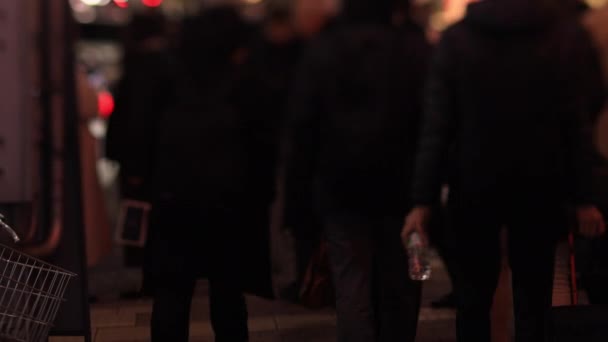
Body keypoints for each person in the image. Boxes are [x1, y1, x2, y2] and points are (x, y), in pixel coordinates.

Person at [402, 0, 606, 341]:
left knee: (472, 298)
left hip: (473, 183)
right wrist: (584, 195)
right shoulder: (562, 38)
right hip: (542, 183)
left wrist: (423, 200)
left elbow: (437, 129)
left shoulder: (457, 41)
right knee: (534, 299)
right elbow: (577, 125)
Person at [283, 0, 431, 340]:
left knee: (351, 282)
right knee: (403, 281)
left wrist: (298, 200)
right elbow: (431, 124)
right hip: (402, 189)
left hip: (341, 188)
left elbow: (304, 129)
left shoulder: (324, 50)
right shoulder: (412, 47)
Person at [140, 7, 273, 342]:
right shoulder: (242, 84)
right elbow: (263, 148)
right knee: (228, 292)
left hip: (173, 201)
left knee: (172, 292)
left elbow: (141, 138)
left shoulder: (167, 81)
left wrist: (141, 184)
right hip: (229, 205)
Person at [104, 11, 169, 299]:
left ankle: (146, 278)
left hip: (139, 161)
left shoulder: (137, 68)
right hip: (162, 158)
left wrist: (129, 161)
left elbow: (133, 120)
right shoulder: (168, 65)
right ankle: (157, 276)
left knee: (138, 221)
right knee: (158, 220)